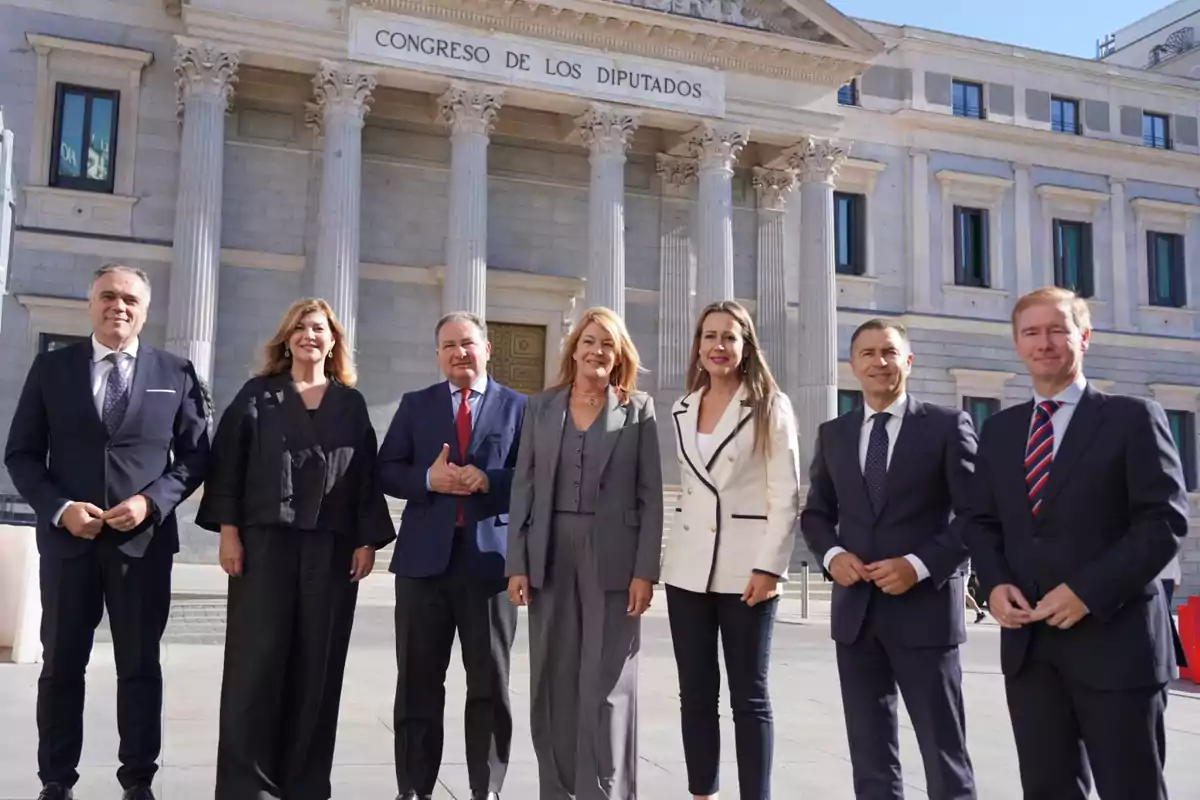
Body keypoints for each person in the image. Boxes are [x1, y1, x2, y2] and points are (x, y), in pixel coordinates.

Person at [967, 287, 1189, 800]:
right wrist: (995, 584)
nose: (1044, 343)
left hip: (1118, 644)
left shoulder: (1133, 418)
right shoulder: (999, 431)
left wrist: (1087, 591)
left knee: (1131, 789)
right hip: (1032, 649)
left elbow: (1163, 522)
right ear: (1017, 344)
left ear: (1083, 338)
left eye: (1057, 330)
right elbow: (980, 521)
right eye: (1031, 333)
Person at [4, 263, 210, 800]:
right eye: (108, 297)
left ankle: (138, 779)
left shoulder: (176, 372)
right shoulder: (53, 370)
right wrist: (59, 507)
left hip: (141, 548)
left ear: (145, 310)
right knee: (61, 666)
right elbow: (22, 453)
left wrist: (152, 501)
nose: (119, 307)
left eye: (130, 301)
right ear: (90, 304)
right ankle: (56, 779)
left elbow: (194, 459)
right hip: (69, 545)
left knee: (140, 665)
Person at [196, 298, 395, 800]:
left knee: (318, 667)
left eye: (320, 329)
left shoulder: (350, 403)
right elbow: (227, 467)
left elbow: (364, 474)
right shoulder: (256, 396)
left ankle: (306, 785)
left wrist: (367, 539)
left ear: (334, 343)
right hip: (264, 547)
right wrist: (228, 532)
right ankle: (248, 787)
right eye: (302, 328)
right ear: (286, 339)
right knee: (255, 665)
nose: (311, 335)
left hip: (330, 552)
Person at [800, 319, 978, 800]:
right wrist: (833, 555)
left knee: (945, 753)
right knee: (870, 756)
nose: (879, 362)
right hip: (857, 617)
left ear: (908, 360)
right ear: (853, 366)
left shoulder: (946, 426)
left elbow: (976, 515)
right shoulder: (834, 433)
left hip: (926, 613)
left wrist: (918, 565)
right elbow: (816, 514)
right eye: (868, 354)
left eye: (889, 352)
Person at [507, 306, 663, 800]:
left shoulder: (638, 410)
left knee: (606, 680)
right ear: (574, 348)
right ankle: (556, 789)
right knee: (552, 677)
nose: (597, 351)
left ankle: (605, 790)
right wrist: (517, 563)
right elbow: (523, 488)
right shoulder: (541, 408)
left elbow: (651, 497)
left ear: (619, 356)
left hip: (613, 558)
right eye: (589, 341)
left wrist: (645, 571)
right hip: (549, 554)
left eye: (608, 345)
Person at [378, 311, 527, 800]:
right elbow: (386, 469)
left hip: (490, 568)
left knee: (489, 685)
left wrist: (490, 480)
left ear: (487, 349)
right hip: (424, 566)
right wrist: (428, 480)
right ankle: (413, 789)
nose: (459, 353)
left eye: (467, 344)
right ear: (438, 355)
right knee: (418, 683)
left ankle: (486, 788)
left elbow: (533, 475)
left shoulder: (520, 407)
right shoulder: (416, 405)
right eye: (448, 346)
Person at [660, 300, 800, 800]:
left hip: (748, 571)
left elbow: (786, 494)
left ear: (745, 348)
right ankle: (703, 792)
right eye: (710, 336)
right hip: (686, 571)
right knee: (695, 694)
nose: (719, 346)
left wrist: (770, 567)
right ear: (698, 346)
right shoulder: (680, 408)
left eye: (729, 337)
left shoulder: (769, 405)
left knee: (749, 696)